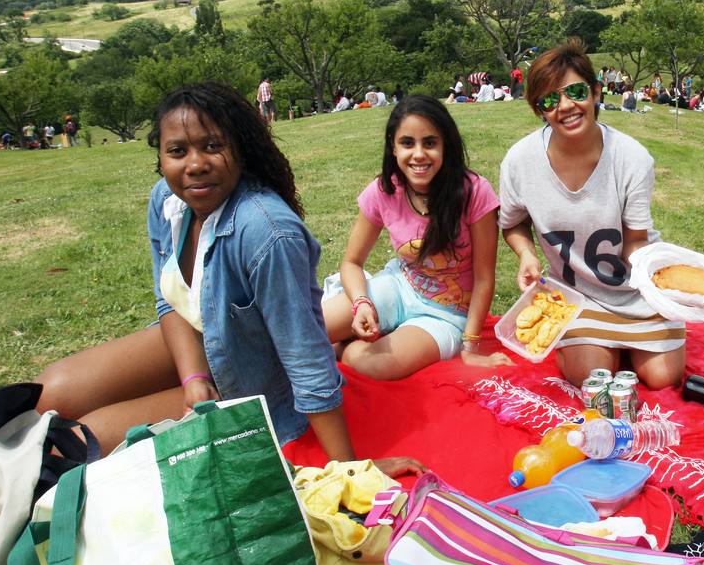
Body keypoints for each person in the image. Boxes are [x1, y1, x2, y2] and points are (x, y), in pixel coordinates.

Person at [34, 83, 417, 472]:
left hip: (249, 381)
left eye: (212, 146)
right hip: (195, 346)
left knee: (74, 445)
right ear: (161, 157)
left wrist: (348, 467)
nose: (195, 164)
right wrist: (193, 377)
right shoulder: (168, 202)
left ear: (240, 149)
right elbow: (168, 300)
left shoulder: (267, 231)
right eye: (178, 151)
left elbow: (304, 355)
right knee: (50, 393)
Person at [499, 38, 685, 389]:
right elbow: (512, 223)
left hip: (635, 291)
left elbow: (634, 243)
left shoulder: (632, 159)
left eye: (575, 92)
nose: (565, 106)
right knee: (590, 377)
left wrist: (665, 279)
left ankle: (622, 343)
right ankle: (590, 343)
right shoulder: (519, 162)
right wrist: (526, 253)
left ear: (597, 92)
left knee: (663, 378)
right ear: (539, 109)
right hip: (576, 296)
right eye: (550, 100)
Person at [322, 96, 512, 379]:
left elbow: (484, 277)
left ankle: (344, 348)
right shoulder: (383, 190)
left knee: (373, 366)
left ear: (445, 144)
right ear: (393, 146)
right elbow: (351, 262)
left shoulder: (474, 191)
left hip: (445, 316)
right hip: (399, 287)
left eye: (430, 143)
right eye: (407, 143)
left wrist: (470, 347)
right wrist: (361, 302)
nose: (419, 154)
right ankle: (362, 331)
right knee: (309, 329)